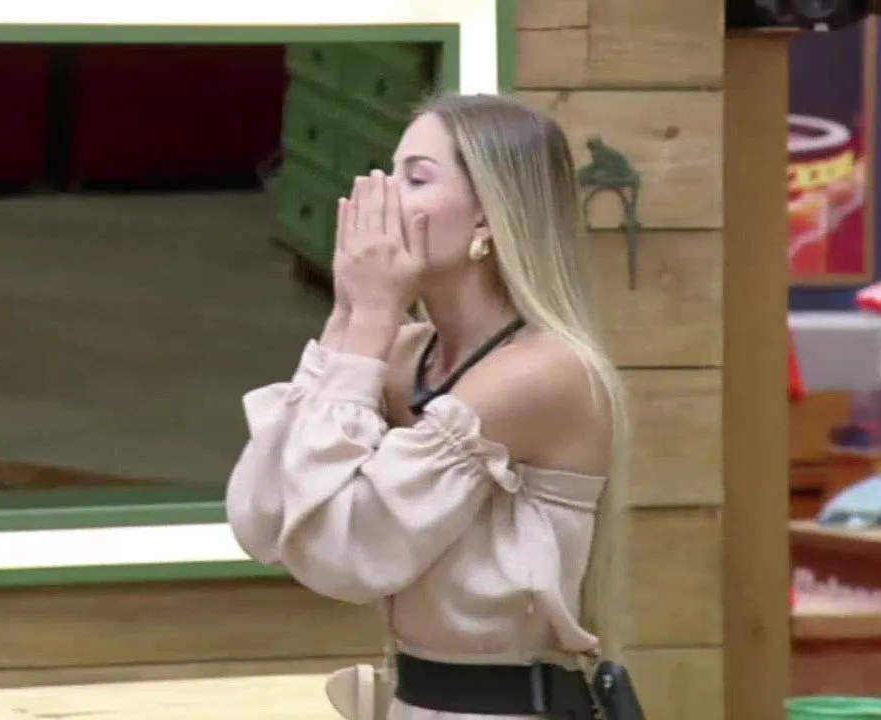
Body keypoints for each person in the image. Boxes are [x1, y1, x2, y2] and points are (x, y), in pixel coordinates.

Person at [226, 94, 629, 719]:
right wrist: (348, 316)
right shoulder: (403, 356)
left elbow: (347, 555)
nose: (385, 199)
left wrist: (371, 320)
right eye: (389, 172)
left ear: (487, 216)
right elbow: (262, 517)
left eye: (416, 178)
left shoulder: (542, 372)